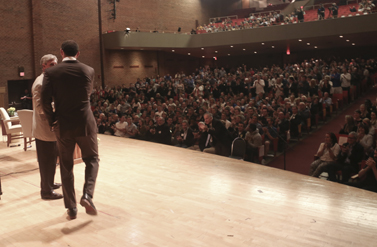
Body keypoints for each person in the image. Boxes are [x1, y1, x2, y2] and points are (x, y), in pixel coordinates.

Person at [41, 40, 99, 220]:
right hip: (85, 123)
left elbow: (44, 100)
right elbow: (88, 94)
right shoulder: (88, 70)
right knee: (92, 159)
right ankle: (87, 196)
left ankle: (71, 208)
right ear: (78, 53)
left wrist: (52, 120)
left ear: (61, 53)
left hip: (63, 125)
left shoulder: (50, 72)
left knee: (66, 166)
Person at [32, 54, 63, 200]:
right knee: (46, 161)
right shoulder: (40, 82)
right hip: (45, 129)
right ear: (44, 66)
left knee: (52, 159)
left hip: (50, 129)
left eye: (56, 63)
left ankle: (49, 183)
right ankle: (46, 191)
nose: (55, 66)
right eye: (51, 64)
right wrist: (59, 109)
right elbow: (40, 108)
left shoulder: (49, 80)